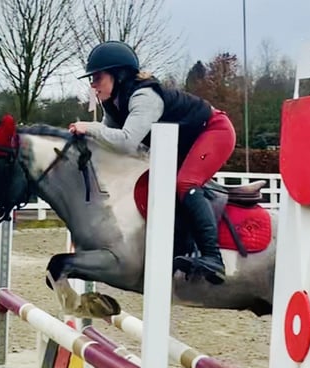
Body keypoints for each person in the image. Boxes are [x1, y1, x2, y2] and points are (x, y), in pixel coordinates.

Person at [69, 40, 235, 285]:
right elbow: (109, 142)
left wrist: (90, 127)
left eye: (97, 78)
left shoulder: (144, 96)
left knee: (186, 183)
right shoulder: (113, 103)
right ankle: (179, 249)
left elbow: (125, 141)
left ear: (118, 75)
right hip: (184, 141)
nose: (92, 85)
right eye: (91, 79)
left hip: (214, 131)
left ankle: (213, 258)